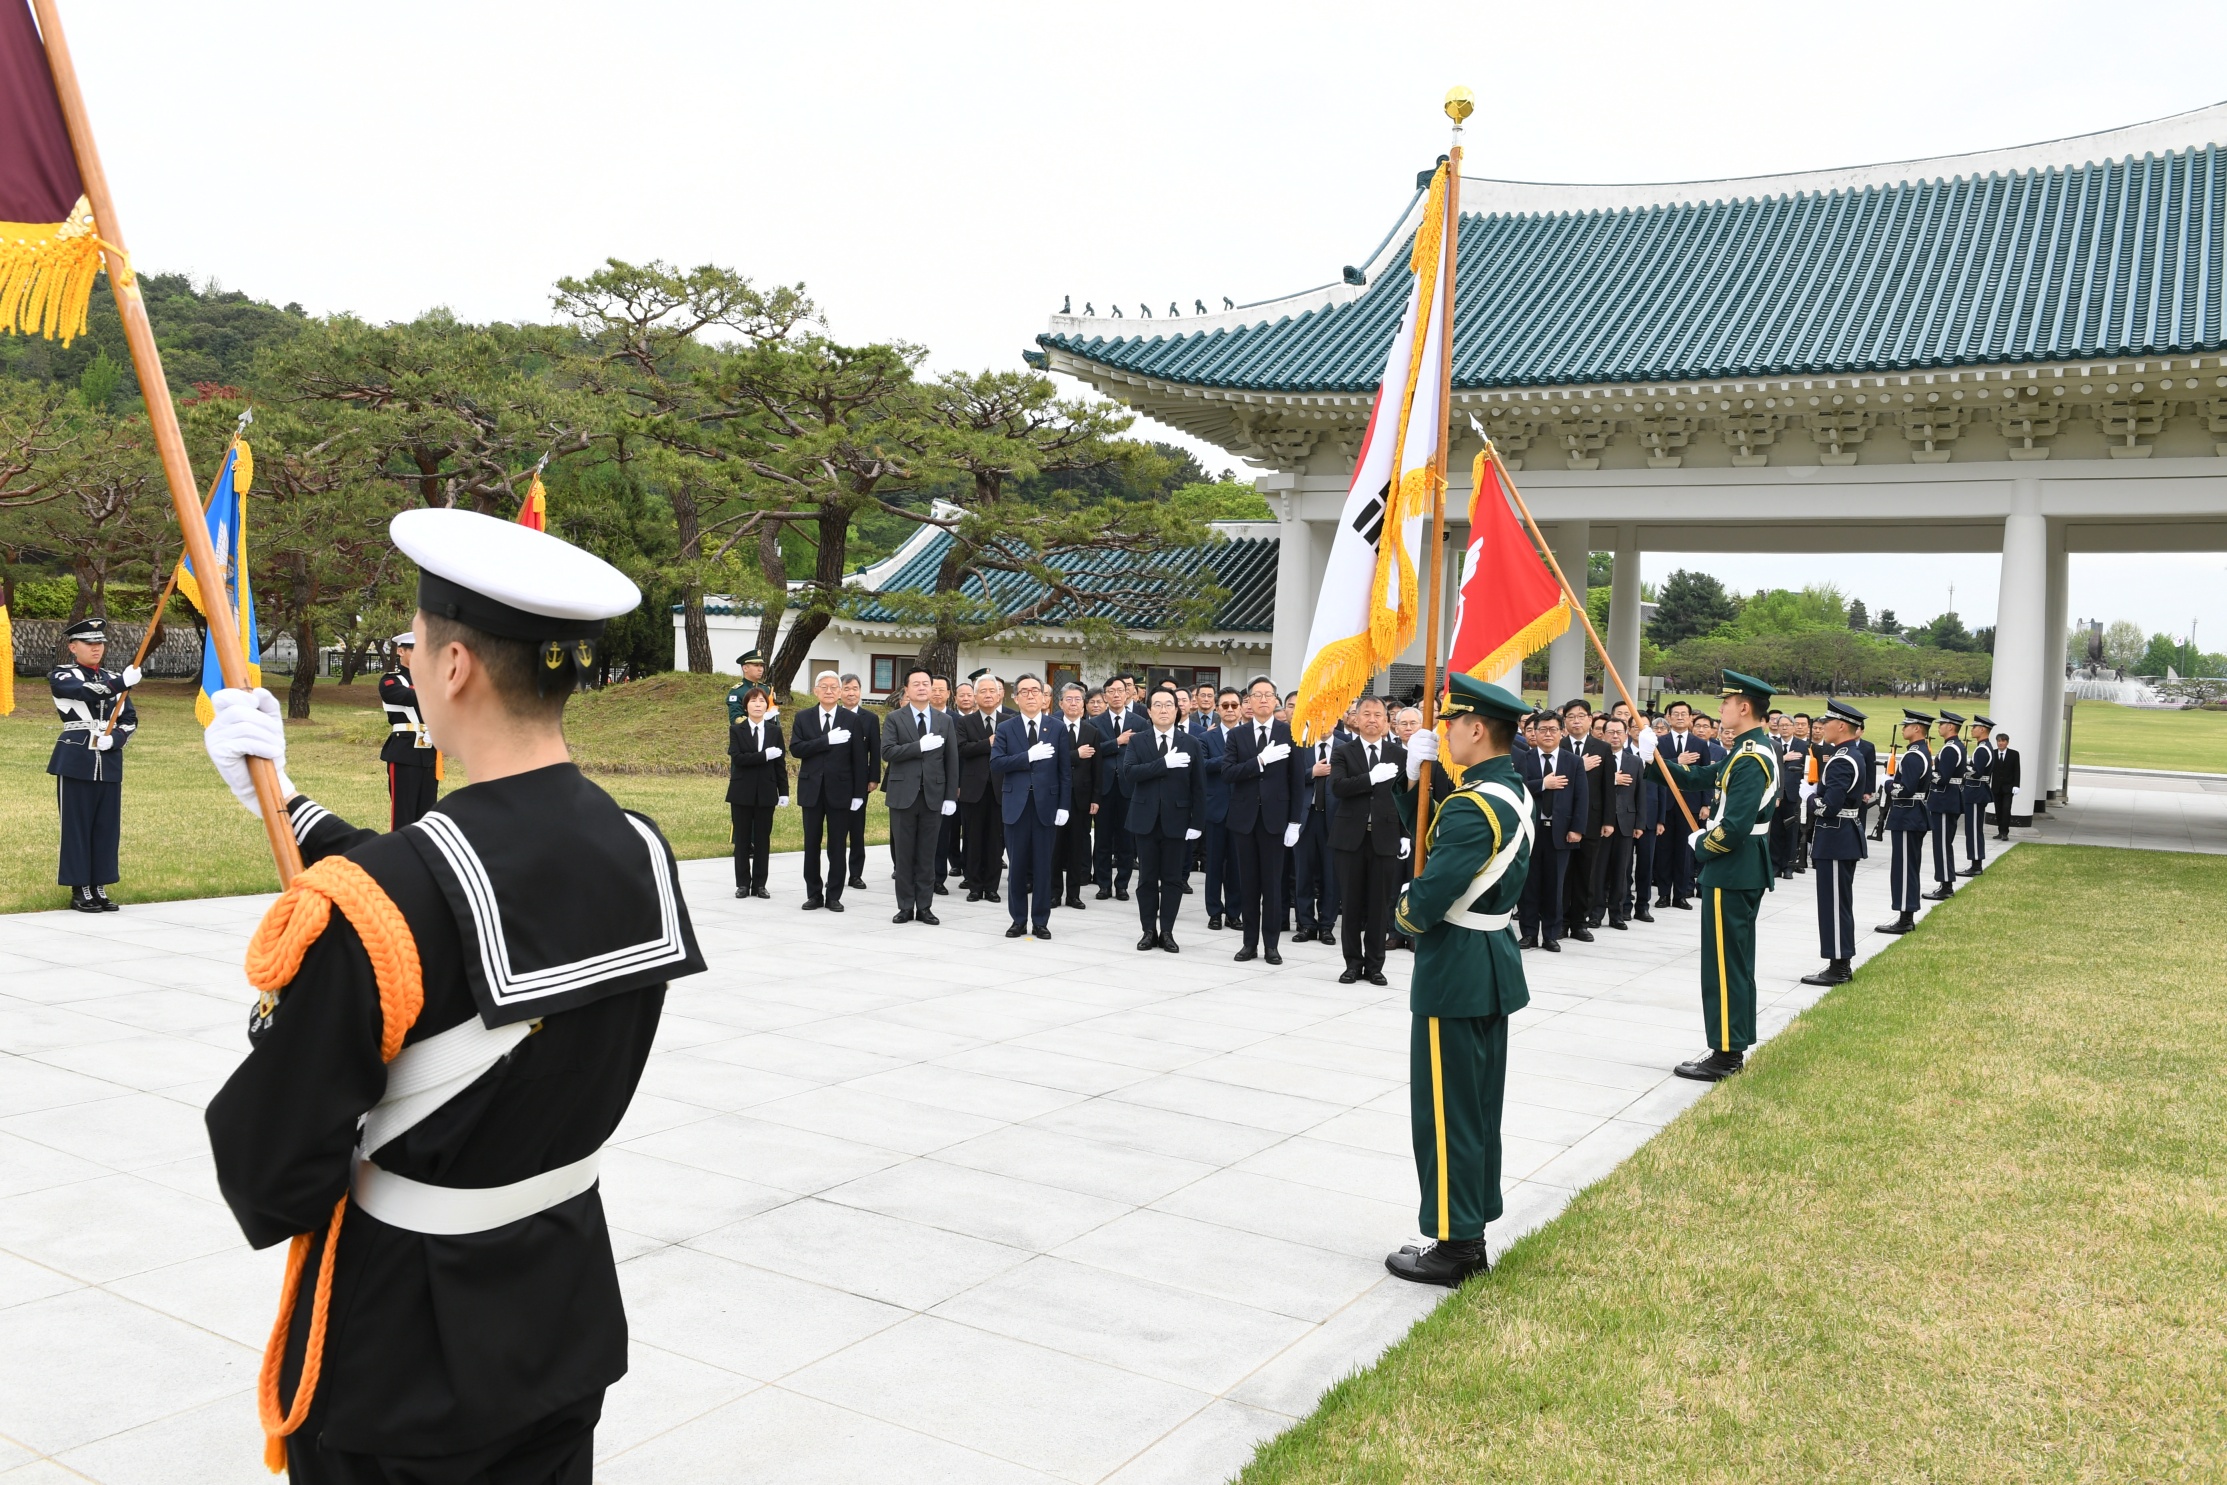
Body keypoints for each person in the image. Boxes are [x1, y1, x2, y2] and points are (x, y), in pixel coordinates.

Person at [199, 505, 704, 1481]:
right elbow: (468, 896)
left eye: (419, 643)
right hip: (560, 1313)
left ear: (456, 667)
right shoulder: (637, 849)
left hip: (407, 1348)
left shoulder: (385, 901)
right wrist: (280, 797)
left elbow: (271, 1171)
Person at [1382, 675, 1534, 1288]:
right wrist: (1418, 784)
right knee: (1473, 1108)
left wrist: (1402, 911)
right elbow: (1446, 830)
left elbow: (1435, 885)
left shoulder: (1476, 804)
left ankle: (1454, 1245)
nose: (1444, 732)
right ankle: (1467, 1225)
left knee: (1445, 1112)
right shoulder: (1506, 790)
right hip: (1488, 960)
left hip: (1456, 968)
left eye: (1451, 724)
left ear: (1477, 729)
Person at [1658, 670, 1784, 1082]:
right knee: (1734, 961)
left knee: (1724, 965)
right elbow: (1701, 777)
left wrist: (1699, 845)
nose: (1720, 709)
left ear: (1744, 707)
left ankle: (1726, 1054)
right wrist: (1653, 761)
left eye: (1725, 703)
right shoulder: (1750, 749)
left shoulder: (1751, 758)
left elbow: (1734, 828)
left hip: (1733, 868)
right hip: (1741, 867)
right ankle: (1732, 1043)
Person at [48, 617, 139, 912]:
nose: (96, 648)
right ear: (73, 647)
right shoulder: (62, 674)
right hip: (76, 758)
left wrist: (117, 740)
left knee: (106, 826)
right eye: (89, 643)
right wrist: (120, 683)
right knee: (76, 826)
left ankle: (99, 885)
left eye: (100, 642)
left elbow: (129, 719)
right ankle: (80, 888)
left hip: (108, 760)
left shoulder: (113, 677)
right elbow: (85, 692)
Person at [1223, 676, 1307, 964]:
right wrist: (1259, 760)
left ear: (1275, 700)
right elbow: (1228, 773)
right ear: (1248, 700)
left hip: (1275, 820)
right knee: (1248, 884)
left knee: (1273, 886)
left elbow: (1297, 781)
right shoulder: (1237, 735)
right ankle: (1249, 943)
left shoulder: (1289, 733)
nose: (1262, 700)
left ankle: (1272, 945)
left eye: (1267, 695)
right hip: (1244, 819)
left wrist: (1295, 821)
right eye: (1256, 695)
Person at [1123, 686, 1206, 952]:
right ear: (1148, 711)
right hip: (1145, 819)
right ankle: (1148, 930)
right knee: (1147, 879)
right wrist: (1164, 763)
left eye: (1168, 705)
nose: (1163, 709)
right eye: (1157, 705)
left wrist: (1197, 823)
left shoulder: (1191, 743)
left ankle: (1167, 932)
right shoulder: (1138, 740)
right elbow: (1130, 773)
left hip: (1178, 820)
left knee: (1172, 879)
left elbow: (1199, 787)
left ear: (1177, 710)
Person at [1331, 695, 1407, 983]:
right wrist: (1370, 778)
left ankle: (1375, 966)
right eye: (1366, 714)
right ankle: (1352, 963)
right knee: (1350, 904)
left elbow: (1406, 799)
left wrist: (1405, 835)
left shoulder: (1399, 754)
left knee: (1379, 905)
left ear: (1387, 722)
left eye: (1378, 715)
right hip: (1350, 839)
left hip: (1385, 839)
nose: (1372, 719)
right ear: (1356, 718)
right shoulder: (1343, 752)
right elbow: (1338, 787)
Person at [992, 674, 1072, 940]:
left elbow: (1064, 771)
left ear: (1044, 697)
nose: (1030, 695)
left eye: (1035, 691)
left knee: (1043, 866)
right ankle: (1017, 920)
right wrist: (1027, 757)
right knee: (1016, 867)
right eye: (1023, 691)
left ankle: (1040, 920)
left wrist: (1064, 805)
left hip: (1046, 806)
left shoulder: (1057, 727)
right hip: (1016, 805)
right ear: (1014, 697)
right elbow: (997, 763)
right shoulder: (1005, 728)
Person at [880, 666, 961, 924]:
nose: (923, 687)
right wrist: (918, 747)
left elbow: (952, 761)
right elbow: (888, 752)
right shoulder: (895, 718)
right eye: (916, 684)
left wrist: (950, 796)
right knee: (904, 855)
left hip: (933, 796)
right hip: (903, 795)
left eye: (927, 683)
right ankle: (905, 906)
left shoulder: (945, 720)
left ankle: (924, 906)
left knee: (928, 854)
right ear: (907, 689)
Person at [1800, 700, 1869, 987]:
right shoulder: (1848, 754)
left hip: (1837, 836)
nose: (1822, 727)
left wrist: (1810, 797)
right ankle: (1838, 961)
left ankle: (1839, 966)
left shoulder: (1842, 759)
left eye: (1826, 722)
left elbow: (1829, 806)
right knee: (1835, 902)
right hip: (1839, 837)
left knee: (1834, 903)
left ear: (1841, 726)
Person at [793, 671, 867, 913]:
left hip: (841, 790)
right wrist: (826, 740)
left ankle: (834, 894)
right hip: (811, 790)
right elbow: (797, 748)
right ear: (815, 691)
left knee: (837, 845)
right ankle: (813, 893)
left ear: (840, 691)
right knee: (811, 844)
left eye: (833, 687)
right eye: (823, 686)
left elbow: (859, 758)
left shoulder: (851, 719)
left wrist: (858, 794)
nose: (828, 690)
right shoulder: (803, 717)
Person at [1516, 711, 1576, 951]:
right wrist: (1543, 784)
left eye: (1553, 729)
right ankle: (1529, 933)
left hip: (1560, 833)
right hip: (1530, 831)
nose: (1547, 734)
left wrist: (1577, 829)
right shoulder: (1523, 758)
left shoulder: (1572, 761)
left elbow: (1580, 796)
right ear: (1533, 733)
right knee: (1529, 885)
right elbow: (1517, 789)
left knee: (1555, 885)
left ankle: (1551, 934)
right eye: (1542, 729)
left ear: (1562, 732)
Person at [1876, 710, 1934, 935]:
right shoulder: (1922, 752)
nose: (1903, 729)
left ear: (1917, 728)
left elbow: (1905, 789)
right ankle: (1906, 914)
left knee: (1904, 868)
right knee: (1908, 866)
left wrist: (1888, 783)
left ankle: (1905, 918)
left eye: (1906, 726)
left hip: (1908, 815)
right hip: (1912, 815)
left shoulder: (1913, 755)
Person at [726, 686, 785, 900]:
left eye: (761, 701)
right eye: (753, 701)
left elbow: (780, 764)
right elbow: (738, 758)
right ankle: (742, 883)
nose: (758, 704)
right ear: (746, 706)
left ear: (766, 705)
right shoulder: (737, 730)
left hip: (767, 791)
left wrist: (784, 791)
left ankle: (760, 884)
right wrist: (763, 756)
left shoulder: (775, 731)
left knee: (763, 839)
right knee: (742, 839)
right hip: (741, 791)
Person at [378, 631, 440, 829]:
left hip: (430, 750)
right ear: (401, 651)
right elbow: (406, 696)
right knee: (403, 813)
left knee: (428, 813)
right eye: (414, 650)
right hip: (405, 750)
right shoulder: (392, 680)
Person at [1561, 700, 1610, 937]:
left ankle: (1579, 922)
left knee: (1585, 872)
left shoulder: (1602, 748)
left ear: (1590, 719)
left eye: (1581, 716)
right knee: (1562, 872)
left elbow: (1608, 788)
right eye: (1571, 716)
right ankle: (1559, 920)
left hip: (1591, 819)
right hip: (1563, 819)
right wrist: (1579, 766)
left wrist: (1608, 821)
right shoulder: (1558, 746)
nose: (1576, 720)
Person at [1293, 721, 1343, 945]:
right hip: (1306, 817)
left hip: (1333, 819)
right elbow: (1289, 777)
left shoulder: (1345, 747)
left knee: (1331, 875)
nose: (1324, 724)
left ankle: (1326, 926)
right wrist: (1310, 772)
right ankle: (1306, 924)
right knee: (1303, 873)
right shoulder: (1300, 746)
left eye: (1329, 719)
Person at [1050, 682, 1097, 908]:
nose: (1073, 703)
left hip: (1082, 798)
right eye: (1068, 699)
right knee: (1055, 848)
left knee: (1077, 848)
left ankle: (1074, 894)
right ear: (1060, 703)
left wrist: (1096, 798)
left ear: (1084, 705)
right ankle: (1054, 893)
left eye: (1078, 699)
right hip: (1056, 796)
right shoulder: (1051, 728)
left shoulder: (1092, 731)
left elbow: (1098, 768)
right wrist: (1076, 755)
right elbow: (1050, 760)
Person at [1092, 681, 1139, 900]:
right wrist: (1117, 742)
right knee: (1102, 838)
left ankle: (1122, 884)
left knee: (1126, 840)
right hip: (1104, 787)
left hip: (1129, 788)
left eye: (1121, 691)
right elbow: (1093, 751)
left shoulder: (1139, 722)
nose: (1117, 695)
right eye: (1111, 692)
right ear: (1105, 696)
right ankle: (1103, 884)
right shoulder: (1094, 723)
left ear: (1128, 693)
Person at [1656, 700, 1705, 909]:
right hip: (1665, 803)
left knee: (1685, 851)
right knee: (1664, 850)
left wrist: (1706, 803)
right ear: (1668, 717)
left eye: (1684, 713)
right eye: (1675, 713)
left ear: (1690, 717)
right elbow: (1656, 769)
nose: (1679, 717)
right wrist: (1677, 760)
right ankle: (1663, 894)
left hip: (1690, 803)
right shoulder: (1660, 742)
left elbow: (1706, 777)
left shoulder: (1700, 744)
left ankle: (1681, 895)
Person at [1199, 687, 1240, 929]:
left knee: (1237, 865)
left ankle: (1234, 913)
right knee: (1213, 864)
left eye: (1234, 705)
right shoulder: (1206, 738)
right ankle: (1214, 912)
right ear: (1217, 708)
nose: (1230, 710)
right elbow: (1202, 766)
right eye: (1225, 705)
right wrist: (1232, 758)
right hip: (1215, 808)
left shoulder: (1248, 735)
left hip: (1242, 809)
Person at [1599, 716, 1644, 929]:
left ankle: (1617, 914)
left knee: (1621, 871)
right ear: (1603, 734)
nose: (1615, 736)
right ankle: (1595, 913)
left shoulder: (1634, 761)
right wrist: (1612, 779)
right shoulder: (1597, 758)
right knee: (1599, 871)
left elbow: (1640, 794)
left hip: (1626, 822)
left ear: (1626, 736)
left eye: (1619, 732)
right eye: (1611, 732)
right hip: (1601, 823)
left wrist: (1639, 824)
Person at [840, 672, 879, 889]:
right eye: (846, 689)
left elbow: (874, 750)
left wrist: (873, 778)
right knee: (837, 831)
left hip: (859, 782)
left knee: (857, 829)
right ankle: (836, 872)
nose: (851, 693)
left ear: (860, 692)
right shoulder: (833, 715)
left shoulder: (870, 718)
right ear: (839, 692)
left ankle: (855, 874)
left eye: (854, 688)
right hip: (835, 781)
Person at [1925, 710, 1967, 900]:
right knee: (1943, 843)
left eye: (1942, 724)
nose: (1939, 727)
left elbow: (1942, 778)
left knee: (1941, 844)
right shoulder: (1953, 746)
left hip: (1944, 799)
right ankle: (1945, 882)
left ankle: (1946, 885)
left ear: (1950, 726)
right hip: (1947, 798)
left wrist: (1926, 774)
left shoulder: (1951, 748)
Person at [1960, 717, 1995, 876]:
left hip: (1976, 792)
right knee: (1974, 828)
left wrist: (1960, 768)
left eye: (1975, 727)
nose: (1972, 729)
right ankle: (1975, 862)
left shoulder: (1982, 749)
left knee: (1973, 829)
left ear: (1983, 729)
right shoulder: (1984, 747)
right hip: (1977, 791)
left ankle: (1976, 864)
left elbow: (1976, 772)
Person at [727, 648, 777, 723]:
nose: (760, 669)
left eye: (761, 666)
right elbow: (736, 719)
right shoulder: (737, 692)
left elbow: (774, 717)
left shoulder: (766, 689)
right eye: (756, 665)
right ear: (745, 668)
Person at [1991, 731, 2021, 840]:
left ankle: (2005, 832)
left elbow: (2017, 770)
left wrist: (2016, 785)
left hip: (2008, 788)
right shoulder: (1993, 753)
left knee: (2006, 809)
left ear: (2007, 742)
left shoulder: (2014, 754)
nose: (2000, 743)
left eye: (2003, 741)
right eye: (1998, 741)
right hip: (1996, 787)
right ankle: (2000, 831)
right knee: (1998, 810)